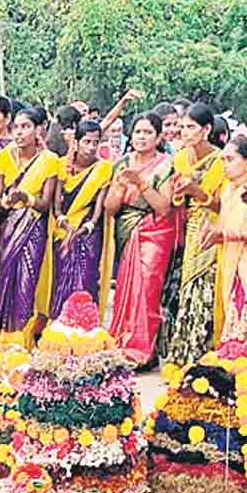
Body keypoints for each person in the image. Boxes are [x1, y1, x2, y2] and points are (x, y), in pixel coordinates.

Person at [106, 112, 179, 366]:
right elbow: (110, 209)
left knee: (147, 288)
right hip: (127, 229)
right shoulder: (121, 163)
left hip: (155, 231)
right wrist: (118, 187)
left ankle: (143, 352)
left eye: (148, 132)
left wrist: (140, 183)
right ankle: (124, 344)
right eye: (137, 131)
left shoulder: (167, 164)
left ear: (159, 137)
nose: (141, 137)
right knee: (127, 288)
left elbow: (164, 208)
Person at [0, 107, 60, 349]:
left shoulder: (49, 160)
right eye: (16, 127)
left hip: (34, 229)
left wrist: (26, 198)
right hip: (8, 227)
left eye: (25, 127)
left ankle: (21, 339)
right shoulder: (3, 158)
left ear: (38, 129)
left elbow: (45, 204)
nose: (19, 133)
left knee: (26, 281)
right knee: (5, 279)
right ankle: (1, 338)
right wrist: (6, 202)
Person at [161, 103, 225, 365]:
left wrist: (196, 192)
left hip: (212, 225)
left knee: (206, 286)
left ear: (207, 129)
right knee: (187, 285)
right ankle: (184, 353)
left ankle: (205, 351)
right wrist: (180, 192)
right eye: (182, 126)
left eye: (190, 127)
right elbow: (177, 200)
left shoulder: (220, 160)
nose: (184, 132)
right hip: (190, 226)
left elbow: (220, 204)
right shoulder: (180, 158)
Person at [50, 120, 114, 317]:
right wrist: (64, 223)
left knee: (85, 277)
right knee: (60, 277)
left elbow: (98, 207)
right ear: (76, 143)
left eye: (96, 142)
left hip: (88, 231)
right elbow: (56, 205)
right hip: (62, 227)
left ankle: (84, 324)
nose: (92, 147)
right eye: (87, 142)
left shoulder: (104, 168)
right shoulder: (62, 164)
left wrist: (86, 227)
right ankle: (58, 324)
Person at [209, 137, 247, 344]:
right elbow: (226, 224)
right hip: (232, 263)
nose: (225, 165)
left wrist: (227, 235)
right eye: (223, 160)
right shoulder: (229, 189)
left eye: (230, 159)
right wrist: (214, 236)